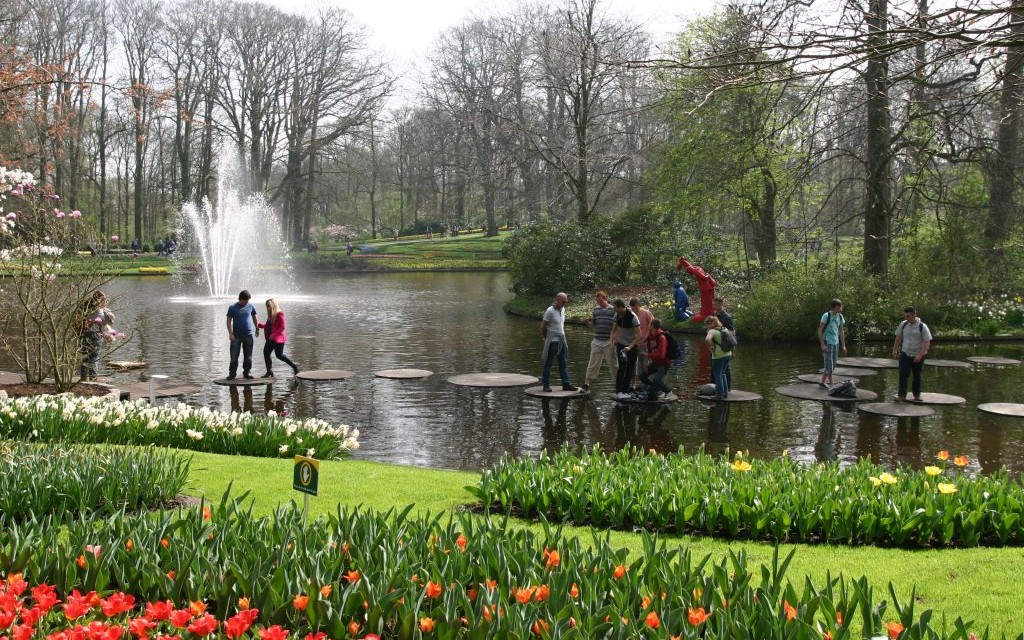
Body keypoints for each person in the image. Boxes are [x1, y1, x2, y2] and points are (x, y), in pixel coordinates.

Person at [540, 292, 579, 392]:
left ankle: (566, 384)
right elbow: (543, 327)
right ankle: (546, 384)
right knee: (548, 363)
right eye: (563, 301)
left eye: (566, 302)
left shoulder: (563, 310)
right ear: (557, 300)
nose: (564, 303)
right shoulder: (550, 311)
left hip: (562, 340)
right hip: (552, 341)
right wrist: (546, 339)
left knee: (563, 363)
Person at [891, 306, 932, 401]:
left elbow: (927, 342)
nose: (906, 318)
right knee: (903, 374)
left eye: (908, 316)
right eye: (905, 316)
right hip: (905, 353)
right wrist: (895, 349)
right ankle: (901, 395)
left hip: (918, 354)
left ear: (914, 315)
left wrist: (920, 355)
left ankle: (917, 395)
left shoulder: (922, 326)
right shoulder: (903, 324)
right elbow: (898, 337)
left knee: (917, 375)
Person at [582, 290, 618, 392]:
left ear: (605, 299)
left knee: (613, 364)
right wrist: (587, 323)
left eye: (601, 301)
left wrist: (614, 339)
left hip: (608, 341)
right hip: (597, 340)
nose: (599, 303)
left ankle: (618, 384)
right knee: (592, 363)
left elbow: (617, 326)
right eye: (598, 301)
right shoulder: (596, 310)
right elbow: (594, 325)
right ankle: (586, 384)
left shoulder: (613, 310)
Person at [258, 298, 299, 378]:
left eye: (269, 306)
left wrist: (274, 334)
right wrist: (259, 325)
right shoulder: (270, 315)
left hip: (278, 339)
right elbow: (268, 326)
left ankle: (294, 366)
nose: (267, 307)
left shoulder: (279, 314)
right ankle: (269, 371)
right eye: (266, 306)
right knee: (266, 353)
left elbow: (282, 327)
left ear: (273, 305)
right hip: (270, 339)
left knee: (279, 355)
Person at [610, 298, 642, 400]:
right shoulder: (617, 315)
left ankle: (624, 391)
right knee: (621, 368)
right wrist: (612, 340)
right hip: (621, 344)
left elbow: (639, 335)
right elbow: (613, 330)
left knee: (630, 369)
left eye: (615, 308)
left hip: (632, 346)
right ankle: (618, 391)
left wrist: (630, 347)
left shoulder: (633, 317)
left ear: (621, 307)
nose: (614, 310)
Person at [80, 291, 114, 381]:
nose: (105, 301)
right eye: (104, 299)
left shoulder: (85, 307)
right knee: (94, 357)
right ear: (100, 300)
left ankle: (83, 379)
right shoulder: (100, 310)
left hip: (84, 334)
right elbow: (109, 321)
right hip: (95, 334)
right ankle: (93, 379)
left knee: (85, 357)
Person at [226, 290, 259, 380]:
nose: (247, 302)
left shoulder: (250, 306)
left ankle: (247, 373)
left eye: (248, 300)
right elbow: (228, 321)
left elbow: (254, 316)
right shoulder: (232, 307)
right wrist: (230, 333)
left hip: (248, 335)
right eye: (246, 300)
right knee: (234, 356)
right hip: (236, 336)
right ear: (240, 299)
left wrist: (257, 328)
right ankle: (232, 374)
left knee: (248, 356)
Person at [817, 298, 847, 388]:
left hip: (836, 344)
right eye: (840, 306)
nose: (842, 308)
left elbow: (841, 331)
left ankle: (822, 382)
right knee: (829, 366)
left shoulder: (840, 316)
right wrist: (822, 344)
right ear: (836, 307)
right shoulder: (826, 316)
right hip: (827, 343)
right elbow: (819, 330)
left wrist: (843, 345)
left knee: (832, 366)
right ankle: (832, 384)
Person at [639, 319, 672, 400]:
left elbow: (661, 355)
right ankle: (656, 389)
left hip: (664, 364)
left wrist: (648, 355)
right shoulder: (649, 337)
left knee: (656, 380)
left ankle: (668, 391)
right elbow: (646, 350)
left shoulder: (662, 338)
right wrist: (645, 363)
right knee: (642, 377)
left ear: (652, 326)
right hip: (655, 363)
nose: (648, 326)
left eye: (650, 325)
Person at [677, 257, 718, 322]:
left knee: (706, 300)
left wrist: (708, 275)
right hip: (709, 286)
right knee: (708, 299)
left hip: (705, 288)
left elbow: (705, 278)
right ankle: (705, 311)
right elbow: (689, 266)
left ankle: (706, 314)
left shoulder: (695, 271)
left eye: (690, 273)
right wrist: (683, 261)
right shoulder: (697, 268)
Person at [704, 315, 732, 400]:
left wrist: (711, 346)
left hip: (718, 356)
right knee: (723, 373)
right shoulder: (724, 329)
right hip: (728, 354)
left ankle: (719, 395)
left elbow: (707, 339)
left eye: (706, 324)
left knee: (718, 375)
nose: (706, 326)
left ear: (710, 323)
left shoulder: (712, 331)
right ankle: (725, 393)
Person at [629, 298, 654, 382]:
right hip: (634, 342)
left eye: (635, 308)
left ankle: (648, 382)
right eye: (632, 309)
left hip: (645, 342)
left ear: (638, 305)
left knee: (645, 365)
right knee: (632, 364)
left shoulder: (646, 313)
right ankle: (633, 384)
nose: (634, 310)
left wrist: (650, 338)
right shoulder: (629, 313)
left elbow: (653, 326)